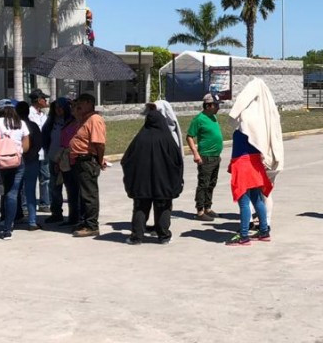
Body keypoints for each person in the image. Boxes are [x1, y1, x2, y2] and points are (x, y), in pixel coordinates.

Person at [225, 78, 284, 246]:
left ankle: (243, 235)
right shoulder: (262, 122)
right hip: (255, 165)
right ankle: (264, 230)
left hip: (242, 165)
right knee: (257, 199)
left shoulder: (245, 125)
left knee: (244, 202)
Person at [122, 105, 184, 245]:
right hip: (163, 182)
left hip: (142, 182)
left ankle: (137, 237)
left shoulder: (140, 139)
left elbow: (127, 159)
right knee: (163, 206)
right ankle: (164, 236)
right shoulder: (167, 139)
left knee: (140, 207)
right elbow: (177, 160)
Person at [0, 100, 30, 239]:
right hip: (17, 161)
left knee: (1, 191)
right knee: (13, 193)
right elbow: (26, 146)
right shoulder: (20, 123)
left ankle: (0, 218)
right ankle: (8, 228)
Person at [69, 93, 107, 238]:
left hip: (88, 160)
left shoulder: (94, 119)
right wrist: (75, 107)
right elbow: (74, 114)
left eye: (81, 103)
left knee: (89, 195)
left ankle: (92, 225)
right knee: (83, 194)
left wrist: (99, 159)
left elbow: (99, 144)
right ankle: (85, 221)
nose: (78, 106)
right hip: (80, 160)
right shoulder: (84, 118)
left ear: (89, 103)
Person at [186, 93, 224, 221]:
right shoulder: (199, 119)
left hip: (215, 157)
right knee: (203, 184)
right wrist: (196, 153)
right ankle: (200, 210)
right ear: (208, 105)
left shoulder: (213, 117)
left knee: (212, 183)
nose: (218, 108)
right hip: (205, 157)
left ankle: (208, 207)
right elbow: (189, 136)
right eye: (216, 105)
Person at [41, 97, 77, 225]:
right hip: (53, 157)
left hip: (68, 159)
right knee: (54, 187)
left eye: (61, 107)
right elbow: (44, 136)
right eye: (56, 107)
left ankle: (74, 215)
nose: (58, 110)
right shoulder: (51, 121)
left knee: (71, 188)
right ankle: (56, 213)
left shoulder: (72, 121)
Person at [15, 101, 43, 231]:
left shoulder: (15, 127)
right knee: (30, 191)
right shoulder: (33, 126)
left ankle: (14, 217)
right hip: (32, 161)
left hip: (17, 161)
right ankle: (32, 221)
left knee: (14, 190)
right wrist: (32, 154)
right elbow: (39, 143)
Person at [27, 89, 51, 213]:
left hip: (44, 151)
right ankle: (26, 205)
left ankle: (44, 203)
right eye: (44, 99)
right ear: (38, 100)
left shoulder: (44, 115)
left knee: (45, 178)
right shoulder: (29, 114)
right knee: (30, 179)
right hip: (32, 152)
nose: (46, 101)